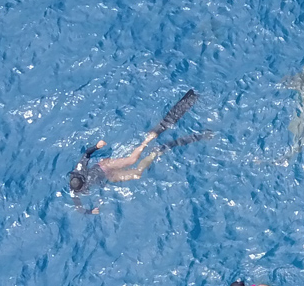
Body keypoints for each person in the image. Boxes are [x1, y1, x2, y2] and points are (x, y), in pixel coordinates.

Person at [68, 89, 204, 213]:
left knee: (132, 160)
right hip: (106, 177)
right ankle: (155, 152)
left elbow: (86, 153)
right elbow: (79, 209)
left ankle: (147, 141)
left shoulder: (79, 169)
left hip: (104, 167)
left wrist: (97, 146)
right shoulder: (74, 192)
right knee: (137, 174)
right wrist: (90, 211)